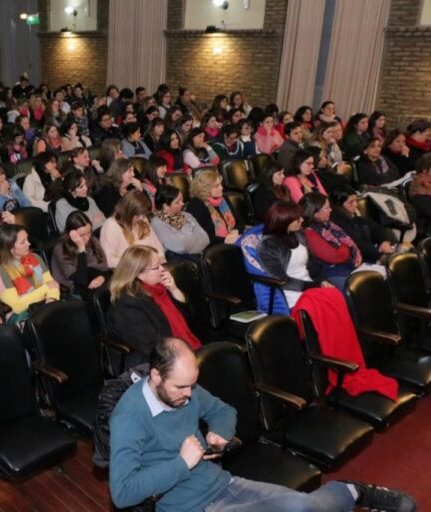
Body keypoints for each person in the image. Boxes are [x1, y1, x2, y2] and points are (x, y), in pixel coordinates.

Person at [109, 336, 417, 512]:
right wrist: (181, 463)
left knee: (302, 507)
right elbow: (121, 494)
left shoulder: (183, 390)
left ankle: (353, 491)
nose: (190, 395)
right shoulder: (130, 416)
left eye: (193, 385)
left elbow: (223, 410)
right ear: (156, 377)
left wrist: (220, 433)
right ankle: (353, 494)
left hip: (221, 483)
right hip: (188, 507)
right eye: (181, 388)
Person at [108, 246, 201, 369]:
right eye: (157, 267)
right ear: (139, 274)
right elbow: (151, 345)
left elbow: (191, 319)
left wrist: (174, 289)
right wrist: (184, 357)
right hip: (159, 361)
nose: (162, 269)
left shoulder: (159, 288)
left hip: (183, 347)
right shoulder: (128, 303)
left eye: (161, 264)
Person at [257, 201, 333, 308]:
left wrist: (321, 281)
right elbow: (282, 281)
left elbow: (312, 263)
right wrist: (313, 286)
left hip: (310, 285)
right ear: (285, 220)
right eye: (297, 218)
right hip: (292, 293)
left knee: (336, 297)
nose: (302, 220)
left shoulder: (298, 233)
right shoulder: (268, 245)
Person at [0, 224, 60, 320]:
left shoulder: (35, 258)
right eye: (23, 242)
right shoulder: (0, 274)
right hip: (23, 317)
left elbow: (53, 285)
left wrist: (51, 299)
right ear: (11, 249)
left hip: (45, 305)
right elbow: (17, 307)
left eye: (27, 239)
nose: (29, 243)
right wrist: (46, 289)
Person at [301, 192, 363, 290]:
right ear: (315, 213)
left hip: (346, 265)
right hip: (331, 272)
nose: (330, 210)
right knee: (357, 288)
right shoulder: (309, 233)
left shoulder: (329, 225)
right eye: (326, 208)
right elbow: (336, 257)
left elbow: (350, 243)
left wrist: (350, 249)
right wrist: (346, 246)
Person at [330, 186, 399, 264]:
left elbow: (375, 227)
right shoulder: (339, 221)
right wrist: (380, 254)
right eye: (350, 202)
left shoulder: (352, 214)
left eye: (355, 200)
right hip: (363, 258)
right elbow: (356, 244)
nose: (355, 204)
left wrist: (384, 242)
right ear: (339, 205)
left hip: (373, 251)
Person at [50, 211, 109, 297]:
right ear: (71, 234)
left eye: (89, 232)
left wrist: (102, 278)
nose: (87, 238)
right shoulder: (61, 250)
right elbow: (81, 280)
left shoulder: (93, 241)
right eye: (82, 235)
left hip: (98, 281)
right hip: (76, 289)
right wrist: (81, 248)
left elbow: (105, 269)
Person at [100, 190, 165, 268]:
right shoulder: (111, 226)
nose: (141, 218)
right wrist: (137, 264)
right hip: (128, 272)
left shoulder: (142, 218)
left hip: (149, 268)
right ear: (128, 212)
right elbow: (108, 260)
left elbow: (156, 243)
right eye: (137, 215)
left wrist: (161, 258)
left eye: (143, 214)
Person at [186, 170, 243, 246]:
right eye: (216, 186)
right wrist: (226, 239)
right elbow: (204, 237)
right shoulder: (197, 205)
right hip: (215, 247)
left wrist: (236, 230)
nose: (221, 188)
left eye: (220, 184)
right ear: (205, 188)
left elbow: (240, 222)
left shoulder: (224, 199)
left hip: (233, 240)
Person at [151, 186, 209, 260]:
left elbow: (205, 238)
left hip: (197, 258)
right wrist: (194, 237)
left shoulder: (187, 215)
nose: (182, 203)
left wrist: (188, 243)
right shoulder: (157, 222)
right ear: (165, 206)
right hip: (180, 262)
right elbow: (180, 246)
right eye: (177, 202)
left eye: (182, 200)